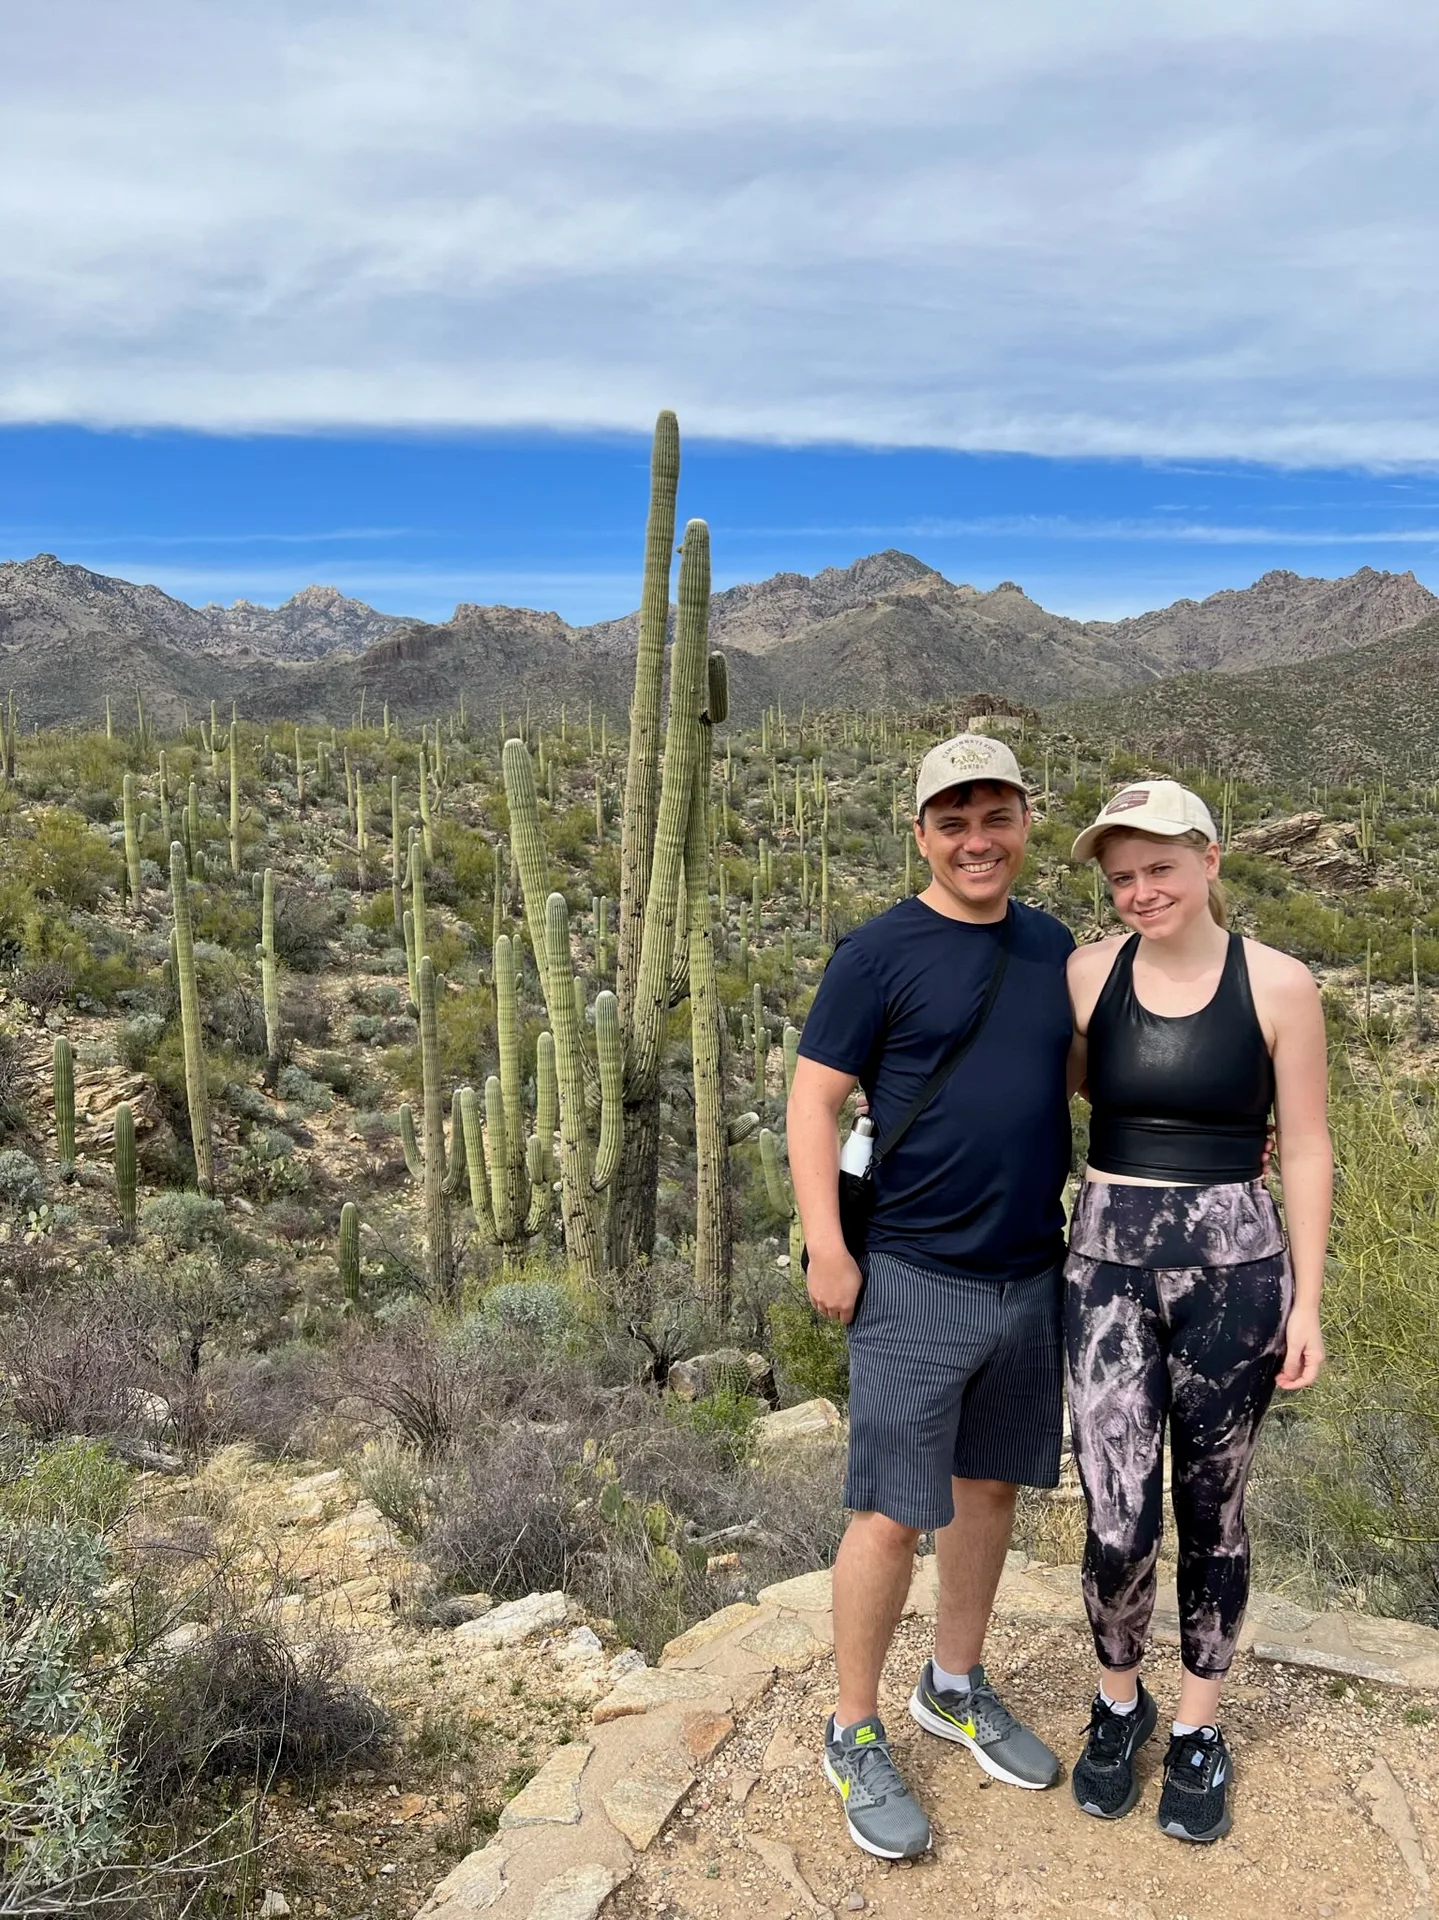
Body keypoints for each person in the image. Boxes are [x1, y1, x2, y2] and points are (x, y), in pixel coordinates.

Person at [788, 732, 1076, 1861]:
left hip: (1028, 1271)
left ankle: (951, 1683)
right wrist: (828, 1245)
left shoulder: (1049, 946)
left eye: (994, 817)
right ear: (920, 834)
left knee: (988, 1488)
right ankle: (851, 1728)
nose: (975, 840)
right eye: (952, 821)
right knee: (889, 1512)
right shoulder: (875, 954)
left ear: (1023, 824)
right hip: (912, 1273)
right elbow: (812, 1103)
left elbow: (1080, 1078)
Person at [1064, 780, 1331, 1843]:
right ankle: (1116, 1700)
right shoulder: (1085, 975)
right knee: (1114, 1513)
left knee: (1212, 1508)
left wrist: (1307, 1299)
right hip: (1105, 1271)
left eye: (1159, 869)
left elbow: (1303, 1143)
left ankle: (1195, 1726)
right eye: (1120, 877)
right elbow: (1052, 1092)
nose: (1140, 891)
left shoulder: (1279, 984)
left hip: (1237, 1276)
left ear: (1209, 859)